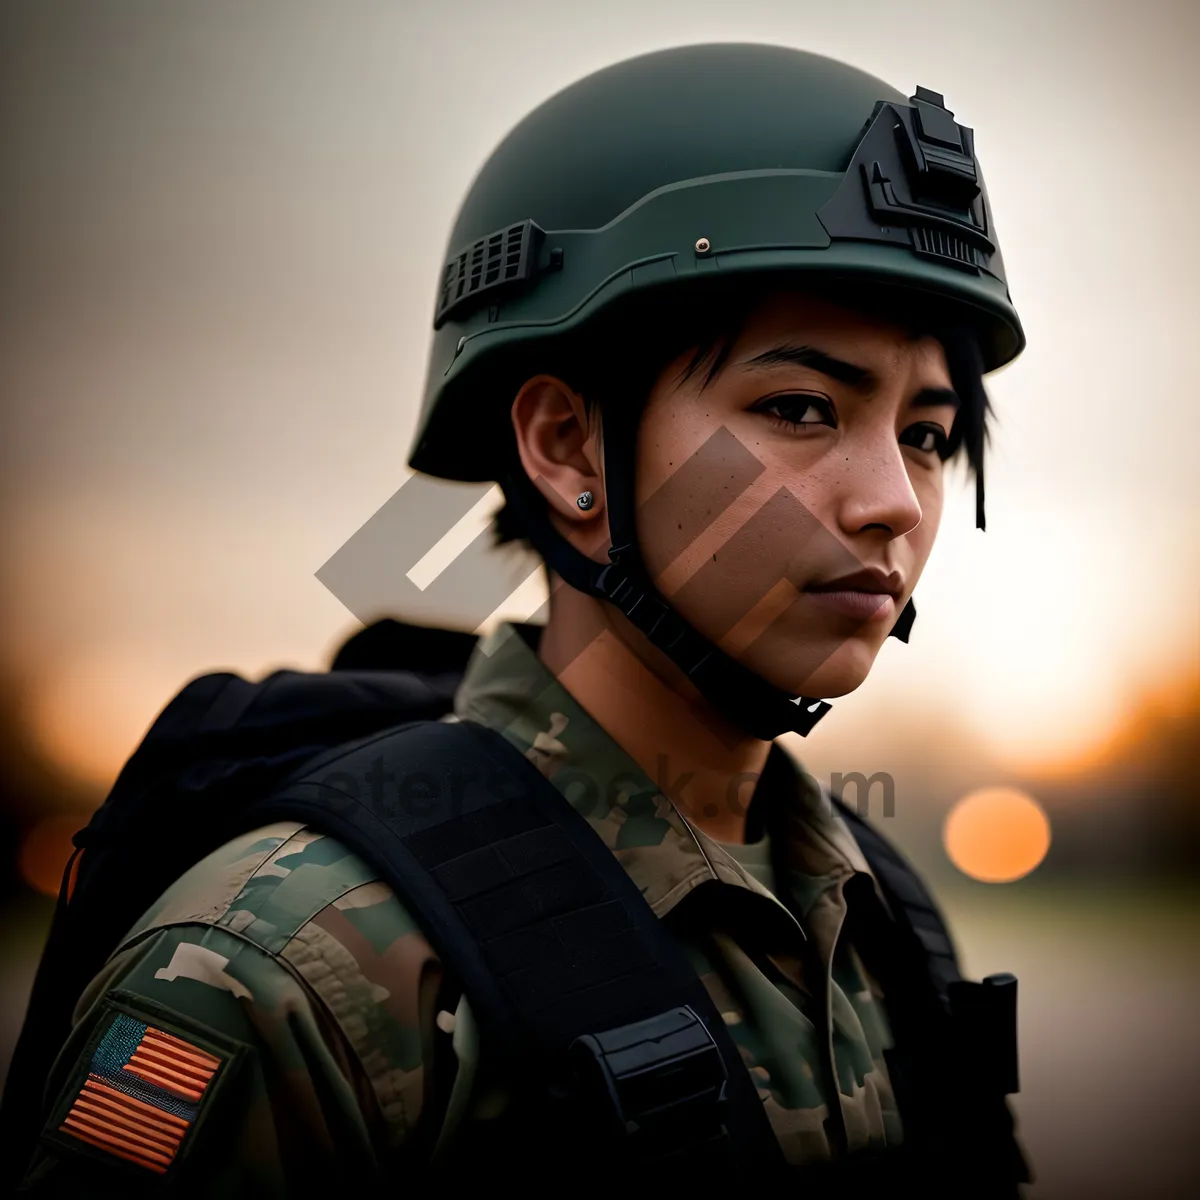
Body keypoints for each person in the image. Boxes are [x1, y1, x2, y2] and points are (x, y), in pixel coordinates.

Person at [10, 42, 1030, 1196]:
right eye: (799, 407)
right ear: (564, 445)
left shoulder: (879, 913)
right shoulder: (290, 969)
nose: (893, 502)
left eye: (928, 436)